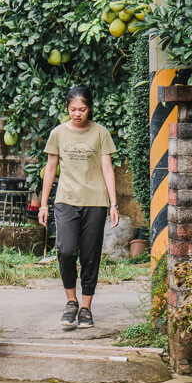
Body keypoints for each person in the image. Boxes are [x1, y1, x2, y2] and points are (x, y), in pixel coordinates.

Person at [38, 86, 119, 329]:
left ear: (89, 108)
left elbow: (107, 169)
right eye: (73, 109)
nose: (77, 113)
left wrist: (113, 204)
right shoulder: (58, 133)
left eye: (82, 109)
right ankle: (71, 301)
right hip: (66, 200)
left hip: (95, 201)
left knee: (90, 255)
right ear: (67, 108)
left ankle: (86, 307)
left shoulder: (101, 133)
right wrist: (43, 205)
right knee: (66, 251)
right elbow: (50, 169)